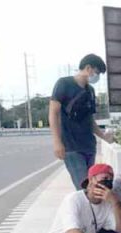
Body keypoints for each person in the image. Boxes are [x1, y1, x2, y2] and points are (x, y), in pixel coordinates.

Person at [49, 54, 114, 189]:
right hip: (71, 146)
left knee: (93, 186)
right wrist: (57, 141)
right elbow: (53, 113)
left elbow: (90, 120)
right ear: (88, 68)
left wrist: (103, 136)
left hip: (89, 146)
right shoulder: (64, 84)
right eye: (97, 72)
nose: (97, 77)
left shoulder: (90, 91)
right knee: (84, 188)